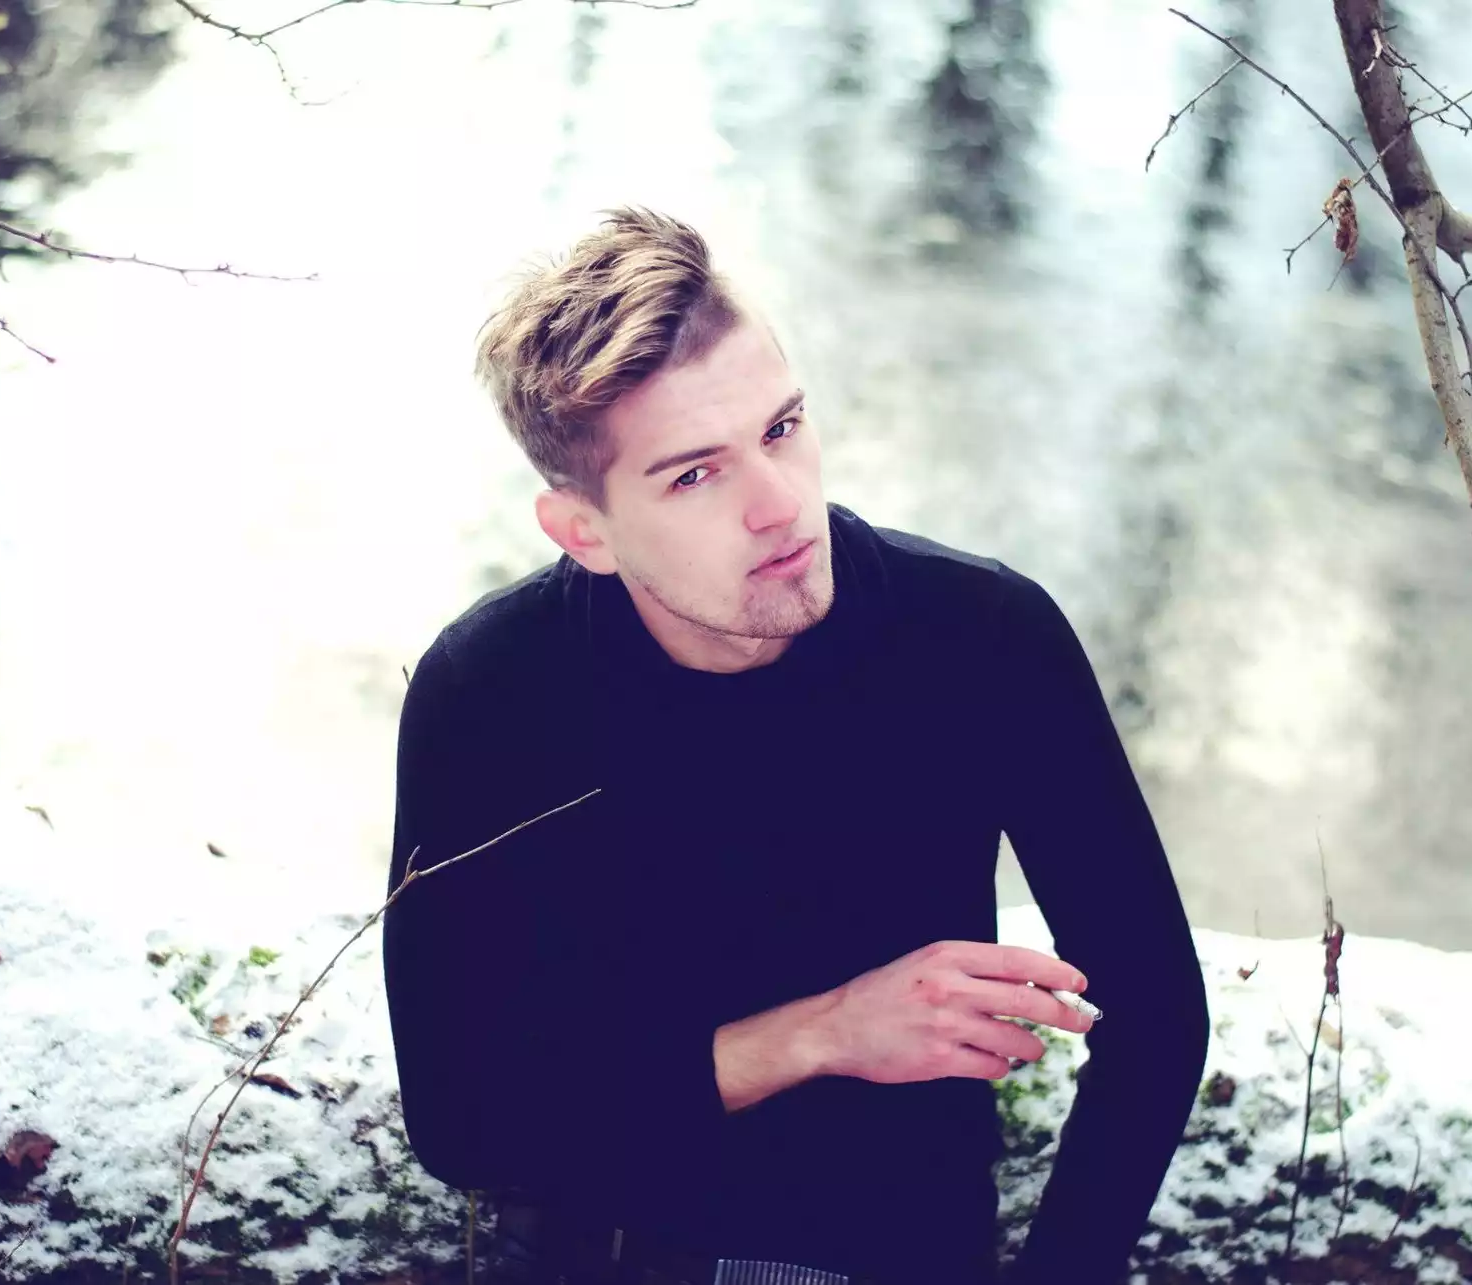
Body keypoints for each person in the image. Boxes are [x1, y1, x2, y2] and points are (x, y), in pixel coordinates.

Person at [382, 207, 1211, 1285]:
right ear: (585, 531)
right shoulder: (493, 689)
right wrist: (823, 1032)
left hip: (889, 1254)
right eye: (694, 475)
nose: (780, 508)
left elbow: (1155, 1015)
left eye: (781, 429)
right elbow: (462, 1120)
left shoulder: (980, 636)